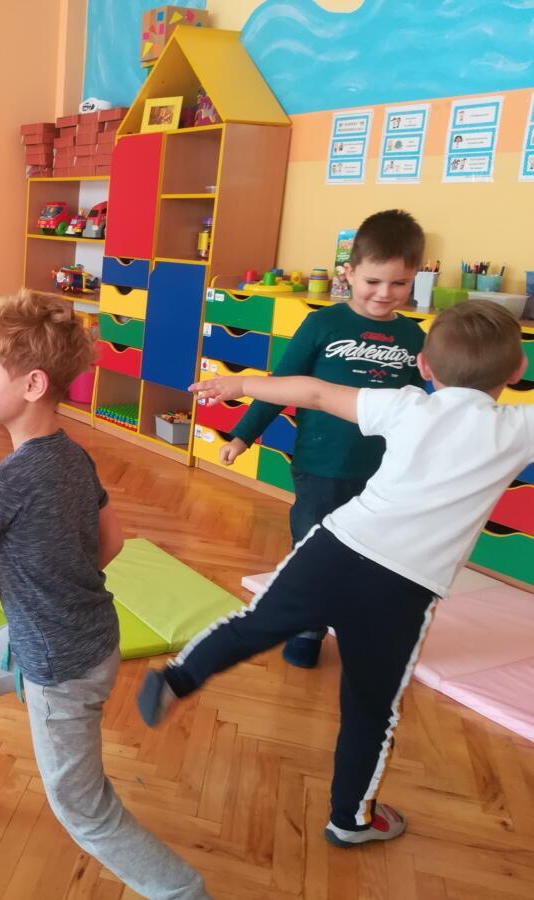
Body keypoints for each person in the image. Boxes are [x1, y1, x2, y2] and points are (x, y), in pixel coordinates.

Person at [140, 300, 532, 848]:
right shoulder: (520, 427)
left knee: (253, 624)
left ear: (423, 365)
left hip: (337, 546)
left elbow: (316, 392)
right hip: (403, 589)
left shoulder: (407, 405)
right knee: (371, 709)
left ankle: (177, 678)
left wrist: (241, 385)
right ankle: (349, 820)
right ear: (517, 371)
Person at [0, 291, 210, 899]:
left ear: (33, 384)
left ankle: (183, 893)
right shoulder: (74, 455)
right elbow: (113, 540)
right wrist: (59, 581)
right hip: (66, 635)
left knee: (83, 809)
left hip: (61, 668)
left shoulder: (4, 481)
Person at [224, 209, 427, 668]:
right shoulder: (322, 325)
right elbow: (281, 384)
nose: (384, 293)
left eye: (399, 283)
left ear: (414, 277)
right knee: (314, 549)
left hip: (383, 472)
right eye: (373, 281)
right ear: (349, 273)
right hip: (322, 466)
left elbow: (422, 406)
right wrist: (243, 436)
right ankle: (308, 626)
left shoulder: (414, 337)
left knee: (372, 553)